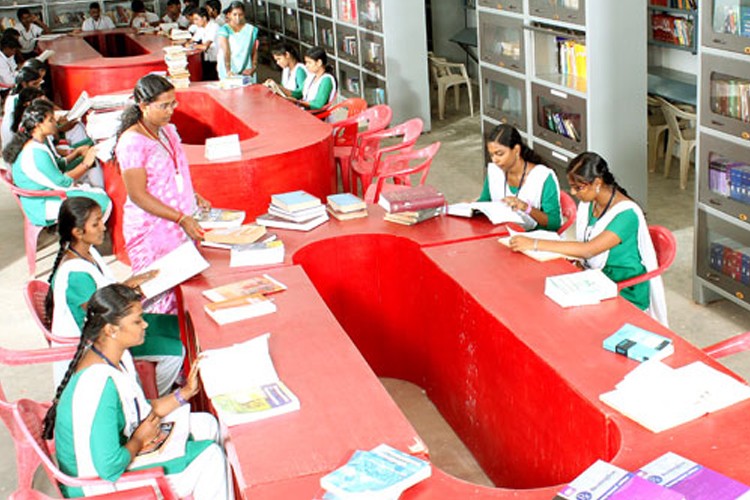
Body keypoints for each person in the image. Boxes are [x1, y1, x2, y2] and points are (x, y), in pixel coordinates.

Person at [42, 284, 231, 499]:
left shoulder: (112, 356)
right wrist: (139, 441)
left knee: (206, 423)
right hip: (94, 485)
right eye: (137, 320)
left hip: (116, 452)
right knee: (210, 458)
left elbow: (141, 409)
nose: (145, 324)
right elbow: (109, 467)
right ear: (111, 330)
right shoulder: (99, 384)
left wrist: (186, 392)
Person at [509, 152, 668, 325]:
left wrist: (535, 244)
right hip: (597, 277)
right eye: (571, 186)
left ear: (597, 183)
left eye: (578, 187)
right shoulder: (590, 204)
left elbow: (589, 249)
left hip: (625, 288)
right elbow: (586, 246)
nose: (573, 192)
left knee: (566, 318)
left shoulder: (626, 214)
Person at [46, 198, 184, 396]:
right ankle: (151, 400)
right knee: (176, 351)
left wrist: (133, 283)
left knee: (178, 326)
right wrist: (135, 292)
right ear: (77, 232)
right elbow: (104, 314)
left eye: (101, 220)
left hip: (117, 323)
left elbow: (106, 292)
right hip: (104, 337)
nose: (103, 227)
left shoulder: (89, 252)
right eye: (96, 224)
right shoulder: (75, 273)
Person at [115, 74, 210, 314]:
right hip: (152, 229)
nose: (170, 111)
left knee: (183, 287)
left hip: (177, 221)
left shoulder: (168, 130)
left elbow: (174, 170)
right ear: (143, 105)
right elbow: (137, 194)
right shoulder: (132, 142)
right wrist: (180, 218)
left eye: (173, 103)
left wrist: (192, 194)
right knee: (158, 291)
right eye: (164, 105)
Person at [4, 101, 110, 227]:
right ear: (38, 125)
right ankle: (86, 235)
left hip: (41, 196)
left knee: (94, 188)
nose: (55, 123)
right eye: (51, 120)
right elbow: (63, 183)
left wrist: (76, 153)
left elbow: (56, 165)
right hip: (42, 204)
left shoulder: (35, 143)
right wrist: (86, 164)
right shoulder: (35, 152)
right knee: (103, 202)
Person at [477, 124, 562, 231]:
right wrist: (473, 208)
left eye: (499, 154)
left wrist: (526, 208)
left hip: (533, 239)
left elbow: (554, 223)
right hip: (502, 233)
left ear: (516, 150)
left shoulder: (543, 177)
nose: (495, 160)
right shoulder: (494, 171)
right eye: (491, 155)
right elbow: (484, 201)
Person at [216, 1, 258, 81]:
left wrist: (253, 67)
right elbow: (226, 51)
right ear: (229, 15)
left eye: (240, 14)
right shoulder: (224, 30)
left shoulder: (251, 30)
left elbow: (254, 50)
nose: (237, 17)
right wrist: (228, 70)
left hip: (246, 67)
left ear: (244, 14)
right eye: (234, 14)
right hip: (227, 67)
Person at [2, 66, 43, 147]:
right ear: (24, 84)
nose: (38, 86)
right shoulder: (21, 100)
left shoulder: (11, 96)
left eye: (39, 83)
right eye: (35, 84)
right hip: (15, 142)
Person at [289, 46, 337, 111]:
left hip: (317, 116)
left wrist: (298, 102)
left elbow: (318, 105)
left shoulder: (327, 80)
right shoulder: (311, 76)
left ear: (319, 63)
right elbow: (299, 93)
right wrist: (280, 89)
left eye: (309, 62)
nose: (306, 65)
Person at [188, 7, 219, 81]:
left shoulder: (214, 27)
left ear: (204, 18)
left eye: (196, 19)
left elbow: (205, 47)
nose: (195, 22)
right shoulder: (201, 28)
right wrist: (190, 43)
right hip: (207, 59)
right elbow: (191, 41)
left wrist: (193, 45)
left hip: (216, 60)